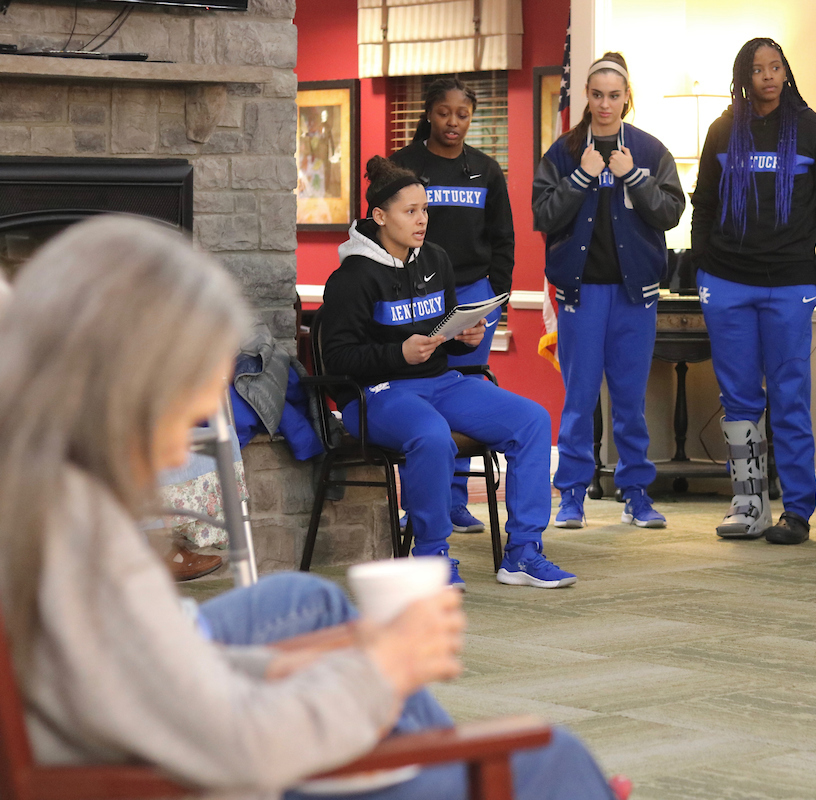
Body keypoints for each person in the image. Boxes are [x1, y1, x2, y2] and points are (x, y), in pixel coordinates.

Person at [0, 215, 619, 800]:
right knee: (549, 755)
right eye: (186, 408)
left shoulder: (47, 505)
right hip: (238, 768)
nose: (179, 447)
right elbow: (239, 741)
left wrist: (306, 658)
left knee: (314, 606)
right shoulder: (87, 549)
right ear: (124, 392)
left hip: (184, 731)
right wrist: (378, 671)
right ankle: (449, 760)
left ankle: (427, 746)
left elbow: (163, 674)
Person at [323, 157, 575, 590]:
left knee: (532, 420)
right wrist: (398, 353)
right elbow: (338, 360)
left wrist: (465, 336)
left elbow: (442, 327)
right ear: (380, 216)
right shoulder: (351, 276)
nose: (422, 220)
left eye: (425, 209)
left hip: (440, 382)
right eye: (410, 211)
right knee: (432, 435)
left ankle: (523, 553)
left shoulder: (435, 259)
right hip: (376, 394)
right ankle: (430, 557)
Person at [690, 37, 816, 544]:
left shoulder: (812, 129)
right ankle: (749, 505)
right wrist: (703, 270)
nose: (767, 76)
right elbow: (705, 207)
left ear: (786, 72)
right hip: (727, 283)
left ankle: (797, 511)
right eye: (757, 69)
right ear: (745, 74)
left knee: (789, 398)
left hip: (790, 286)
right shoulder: (722, 131)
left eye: (775, 67)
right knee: (738, 398)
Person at [532, 52, 686, 530]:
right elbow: (543, 216)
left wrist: (632, 176)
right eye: (597, 95)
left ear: (626, 98)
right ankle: (572, 495)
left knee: (629, 400)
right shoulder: (562, 152)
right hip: (580, 295)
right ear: (586, 97)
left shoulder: (649, 150)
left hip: (634, 295)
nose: (605, 104)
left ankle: (636, 494)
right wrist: (581, 177)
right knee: (578, 400)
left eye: (614, 96)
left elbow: (670, 212)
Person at [391, 78, 515, 536]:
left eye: (462, 115)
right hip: (417, 294)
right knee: (417, 392)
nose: (453, 122)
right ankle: (421, 502)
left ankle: (458, 501)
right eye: (444, 113)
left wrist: (494, 298)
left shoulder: (485, 168)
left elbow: (503, 238)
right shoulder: (403, 166)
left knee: (466, 396)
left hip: (472, 296)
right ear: (428, 113)